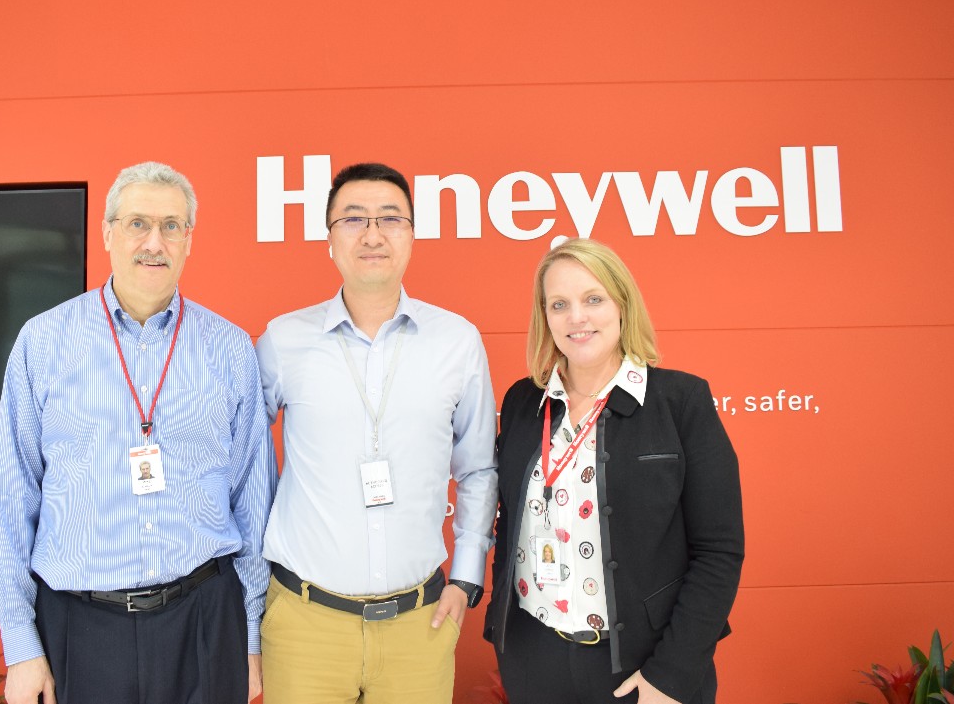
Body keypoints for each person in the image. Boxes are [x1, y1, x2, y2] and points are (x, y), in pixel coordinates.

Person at [0, 161, 277, 704]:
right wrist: (21, 645)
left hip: (204, 623)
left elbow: (253, 502)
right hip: (79, 626)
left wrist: (251, 635)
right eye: (137, 223)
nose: (154, 242)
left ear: (189, 240)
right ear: (107, 233)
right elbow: (12, 496)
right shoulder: (44, 342)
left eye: (171, 226)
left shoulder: (230, 348)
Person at [256, 162, 498, 704]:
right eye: (353, 219)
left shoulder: (456, 341)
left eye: (390, 218)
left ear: (411, 235)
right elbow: (241, 461)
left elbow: (479, 468)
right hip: (303, 624)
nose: (372, 234)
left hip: (419, 625)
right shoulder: (283, 341)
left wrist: (465, 578)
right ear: (329, 239)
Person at [484, 238, 743, 704]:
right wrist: (511, 653)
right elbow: (509, 528)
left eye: (593, 299)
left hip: (643, 669)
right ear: (545, 317)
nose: (576, 317)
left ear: (622, 305)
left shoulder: (680, 402)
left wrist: (671, 675)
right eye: (559, 304)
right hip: (534, 662)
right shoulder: (523, 401)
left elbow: (718, 551)